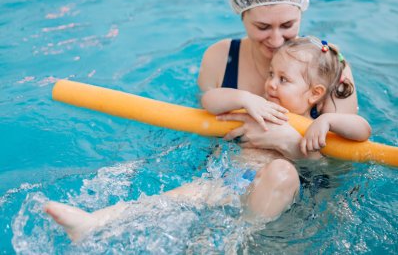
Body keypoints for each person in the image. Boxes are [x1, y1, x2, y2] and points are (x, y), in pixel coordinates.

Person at [44, 36, 370, 242]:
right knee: (168, 200)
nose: (270, 83)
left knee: (280, 176)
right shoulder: (261, 104)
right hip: (230, 182)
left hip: (273, 195)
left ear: (314, 94)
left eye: (282, 79)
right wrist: (245, 98)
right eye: (271, 73)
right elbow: (210, 101)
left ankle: (235, 240)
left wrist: (327, 120)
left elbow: (362, 131)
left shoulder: (314, 122)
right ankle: (91, 223)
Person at [197, 0, 361, 223]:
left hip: (304, 196)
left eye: (287, 26)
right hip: (232, 177)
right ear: (242, 15)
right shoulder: (219, 59)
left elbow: (341, 170)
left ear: (301, 13)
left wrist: (289, 143)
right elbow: (202, 136)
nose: (275, 40)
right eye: (262, 27)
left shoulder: (330, 69)